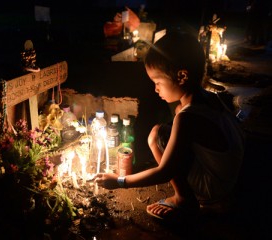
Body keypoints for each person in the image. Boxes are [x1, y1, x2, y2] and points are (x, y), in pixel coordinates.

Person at [95, 31, 245, 220]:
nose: (155, 89)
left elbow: (164, 173)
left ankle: (185, 200)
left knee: (156, 135)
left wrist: (119, 181)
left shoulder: (187, 118)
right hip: (230, 176)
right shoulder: (211, 98)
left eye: (158, 82)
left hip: (215, 187)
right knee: (167, 130)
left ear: (182, 76)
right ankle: (206, 196)